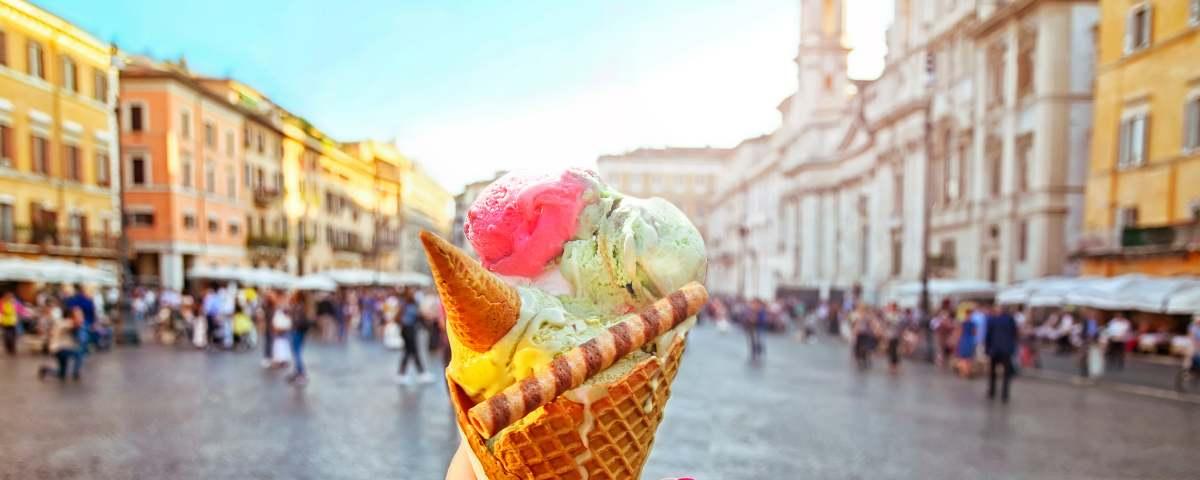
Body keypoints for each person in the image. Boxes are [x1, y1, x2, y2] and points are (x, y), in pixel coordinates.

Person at [38, 307, 83, 381]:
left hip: (56, 348)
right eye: (78, 315)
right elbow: (72, 326)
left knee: (62, 373)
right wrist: (78, 323)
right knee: (78, 353)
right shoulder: (67, 323)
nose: (80, 317)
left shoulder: (62, 322)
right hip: (60, 348)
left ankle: (46, 370)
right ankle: (76, 373)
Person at [985, 305, 1018, 403]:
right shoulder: (1011, 320)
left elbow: (988, 335)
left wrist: (987, 349)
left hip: (994, 349)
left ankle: (992, 391)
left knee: (992, 372)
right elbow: (1014, 334)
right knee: (1006, 374)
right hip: (1006, 350)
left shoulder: (993, 320)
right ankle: (1005, 394)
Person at [397, 291, 432, 384]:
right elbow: (419, 317)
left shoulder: (405, 305)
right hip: (409, 330)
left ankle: (404, 373)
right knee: (412, 352)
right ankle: (421, 373)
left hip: (405, 330)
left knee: (409, 352)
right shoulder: (412, 307)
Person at [63, 285, 97, 353]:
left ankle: (81, 351)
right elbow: (92, 312)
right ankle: (80, 352)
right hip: (84, 322)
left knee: (81, 337)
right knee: (82, 338)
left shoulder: (74, 299)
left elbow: (69, 309)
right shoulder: (87, 300)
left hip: (81, 322)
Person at [288, 291, 312, 385]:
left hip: (296, 331)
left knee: (297, 353)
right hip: (301, 332)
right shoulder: (305, 306)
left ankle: (301, 373)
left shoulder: (298, 306)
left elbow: (295, 320)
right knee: (297, 352)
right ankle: (297, 372)